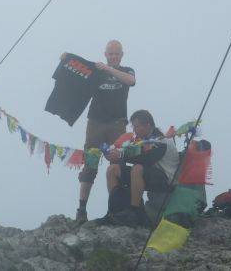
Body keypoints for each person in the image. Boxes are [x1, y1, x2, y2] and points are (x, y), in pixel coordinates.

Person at [71, 40, 136, 223]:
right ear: (105, 55)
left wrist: (107, 70)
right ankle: (82, 209)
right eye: (110, 54)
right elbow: (76, 73)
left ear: (121, 55)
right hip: (96, 122)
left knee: (117, 164)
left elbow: (131, 81)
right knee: (90, 163)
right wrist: (66, 60)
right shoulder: (96, 71)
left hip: (117, 123)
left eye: (116, 54)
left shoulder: (127, 70)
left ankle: (116, 209)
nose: (113, 57)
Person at [105, 109, 180, 227]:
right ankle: (115, 210)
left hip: (166, 179)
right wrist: (113, 154)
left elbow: (147, 158)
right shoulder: (141, 142)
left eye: (137, 126)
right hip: (150, 175)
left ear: (148, 125)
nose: (134, 130)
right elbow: (132, 155)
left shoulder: (162, 140)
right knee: (113, 169)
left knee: (137, 168)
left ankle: (133, 212)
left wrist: (121, 155)